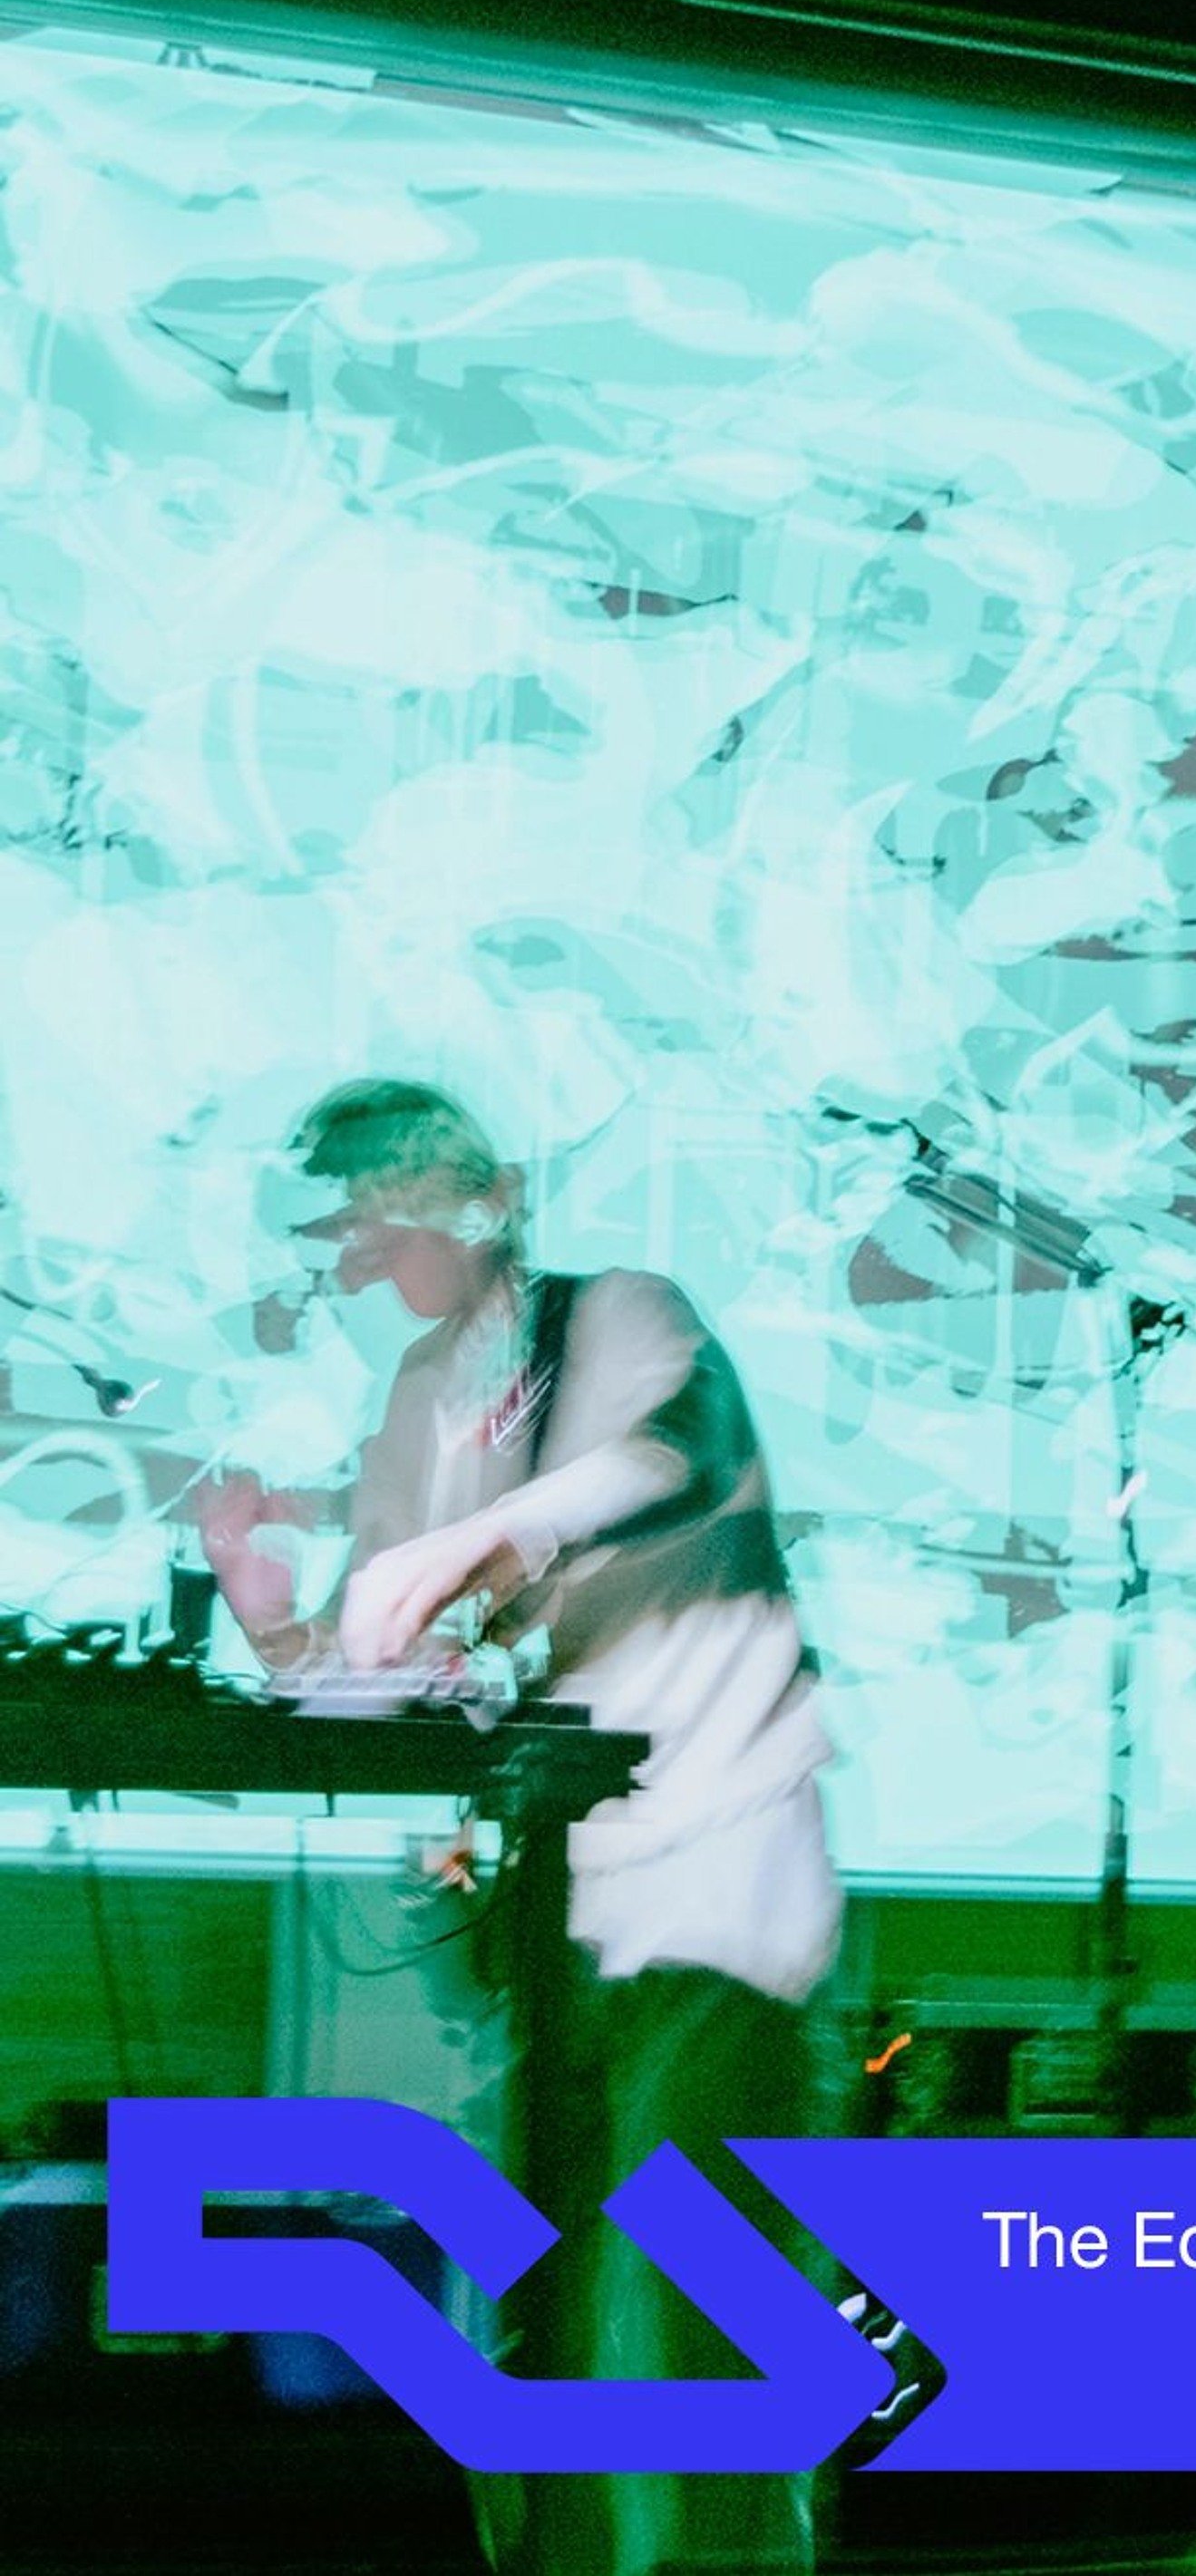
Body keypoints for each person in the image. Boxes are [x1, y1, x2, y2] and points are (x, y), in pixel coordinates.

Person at [199, 1078, 845, 2575]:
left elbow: (673, 1454)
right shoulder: (423, 1396)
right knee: (539, 2315)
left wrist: (489, 1536)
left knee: (699, 2311)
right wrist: (272, 1619)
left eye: (385, 1215)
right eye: (345, 1231)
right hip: (558, 1904)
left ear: (479, 1201)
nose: (364, 1255)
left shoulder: (624, 1315)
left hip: (723, 1874)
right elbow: (380, 1674)